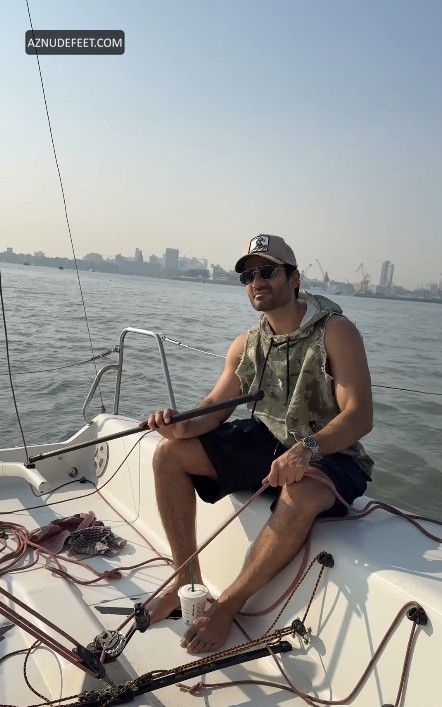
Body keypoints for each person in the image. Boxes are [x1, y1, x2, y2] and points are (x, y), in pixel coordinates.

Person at [142, 234, 374, 654]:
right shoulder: (247, 344)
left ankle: (228, 605)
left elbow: (358, 416)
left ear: (294, 278)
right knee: (169, 454)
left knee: (300, 493)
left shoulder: (337, 332)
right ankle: (185, 583)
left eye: (268, 271)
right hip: (271, 440)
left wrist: (307, 449)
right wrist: (180, 425)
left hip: (333, 451)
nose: (257, 282)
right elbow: (214, 407)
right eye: (248, 276)